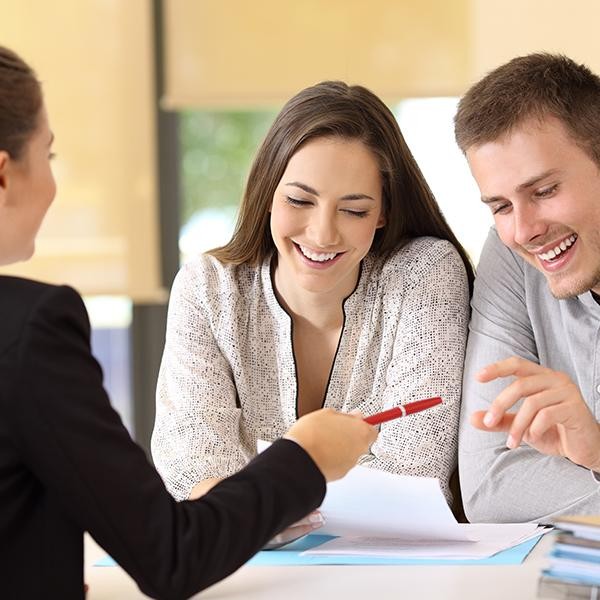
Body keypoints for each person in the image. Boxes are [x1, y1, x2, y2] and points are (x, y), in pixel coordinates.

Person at [0, 46, 379, 599]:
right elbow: (170, 555)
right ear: (5, 175)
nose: (323, 233)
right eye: (49, 156)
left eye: (355, 208)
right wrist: (306, 457)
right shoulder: (30, 329)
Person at [151, 80, 474, 513]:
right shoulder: (208, 289)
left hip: (394, 568)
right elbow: (196, 472)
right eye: (300, 200)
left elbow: (416, 471)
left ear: (384, 213)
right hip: (247, 567)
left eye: (355, 210)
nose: (322, 234)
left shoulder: (424, 272)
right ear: (267, 195)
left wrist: (261, 498)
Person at [454, 53, 600, 523]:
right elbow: (491, 487)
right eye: (500, 205)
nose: (524, 231)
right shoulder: (513, 252)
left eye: (544, 191)